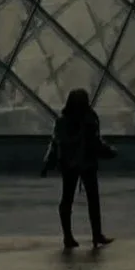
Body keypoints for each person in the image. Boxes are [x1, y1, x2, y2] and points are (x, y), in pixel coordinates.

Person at [41, 88, 114, 250]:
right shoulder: (90, 119)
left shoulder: (62, 121)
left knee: (67, 199)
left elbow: (55, 143)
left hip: (68, 164)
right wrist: (108, 151)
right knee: (92, 200)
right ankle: (96, 234)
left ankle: (68, 236)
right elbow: (95, 142)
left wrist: (48, 163)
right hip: (87, 163)